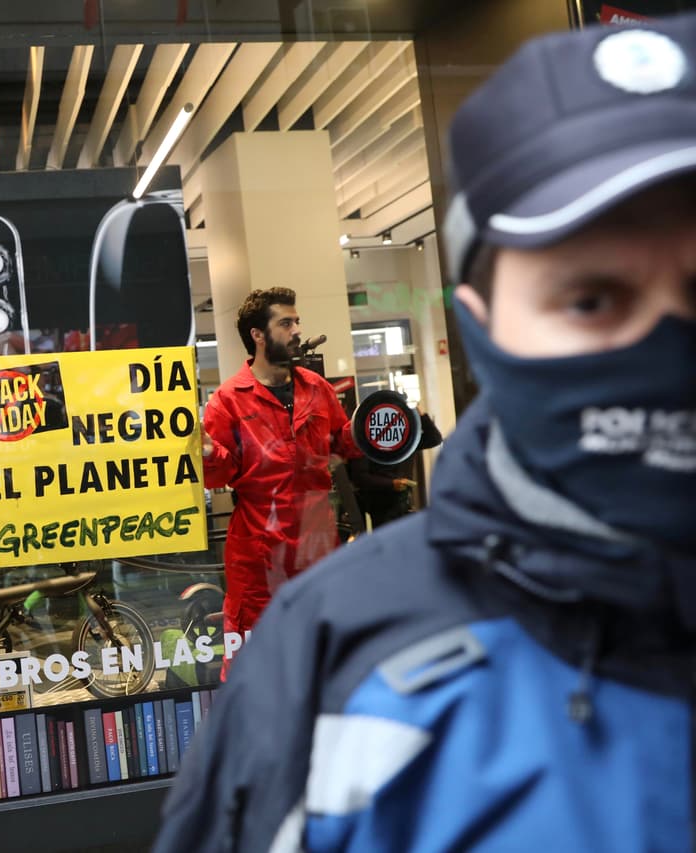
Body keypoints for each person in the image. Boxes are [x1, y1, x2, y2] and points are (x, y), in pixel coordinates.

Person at [154, 14, 696, 852]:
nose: (661, 340)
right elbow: (214, 476)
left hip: (321, 537)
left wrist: (395, 434)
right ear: (483, 328)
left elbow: (356, 448)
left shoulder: (315, 392)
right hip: (260, 566)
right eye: (588, 299)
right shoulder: (330, 657)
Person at [200, 287, 360, 643]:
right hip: (259, 554)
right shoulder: (227, 401)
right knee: (256, 662)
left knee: (324, 654)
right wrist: (210, 453)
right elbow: (218, 478)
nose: (297, 331)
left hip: (317, 545)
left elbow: (342, 444)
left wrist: (376, 430)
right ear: (257, 335)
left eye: (297, 322)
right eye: (285, 323)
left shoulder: (317, 389)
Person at [347, 407, 443, 528]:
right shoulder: (366, 443)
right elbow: (360, 477)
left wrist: (421, 415)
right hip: (380, 504)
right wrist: (391, 484)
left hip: (403, 502)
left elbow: (434, 439)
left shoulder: (407, 441)